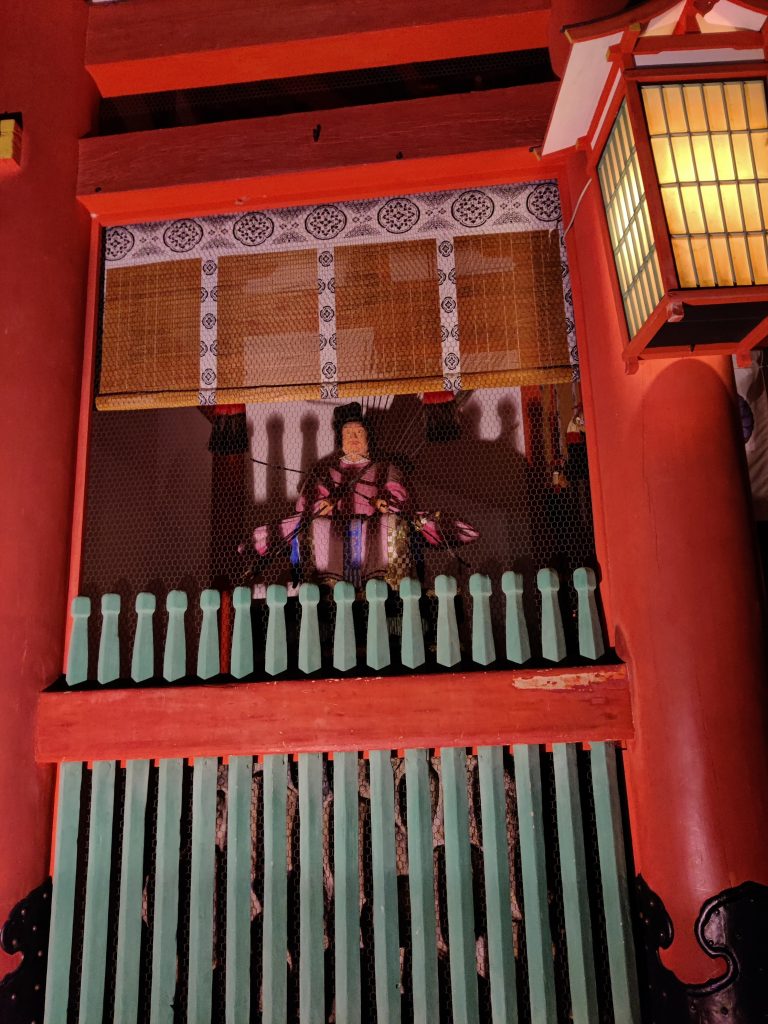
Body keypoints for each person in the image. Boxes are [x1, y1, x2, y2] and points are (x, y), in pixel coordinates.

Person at [294, 403, 411, 587]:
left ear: (368, 437)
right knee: (317, 525)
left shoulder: (385, 468)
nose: (353, 437)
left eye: (359, 432)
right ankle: (327, 584)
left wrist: (387, 503)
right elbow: (304, 504)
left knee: (393, 523)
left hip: (374, 525)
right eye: (348, 433)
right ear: (340, 439)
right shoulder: (326, 471)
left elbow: (400, 497)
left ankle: (390, 582)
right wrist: (321, 506)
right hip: (336, 526)